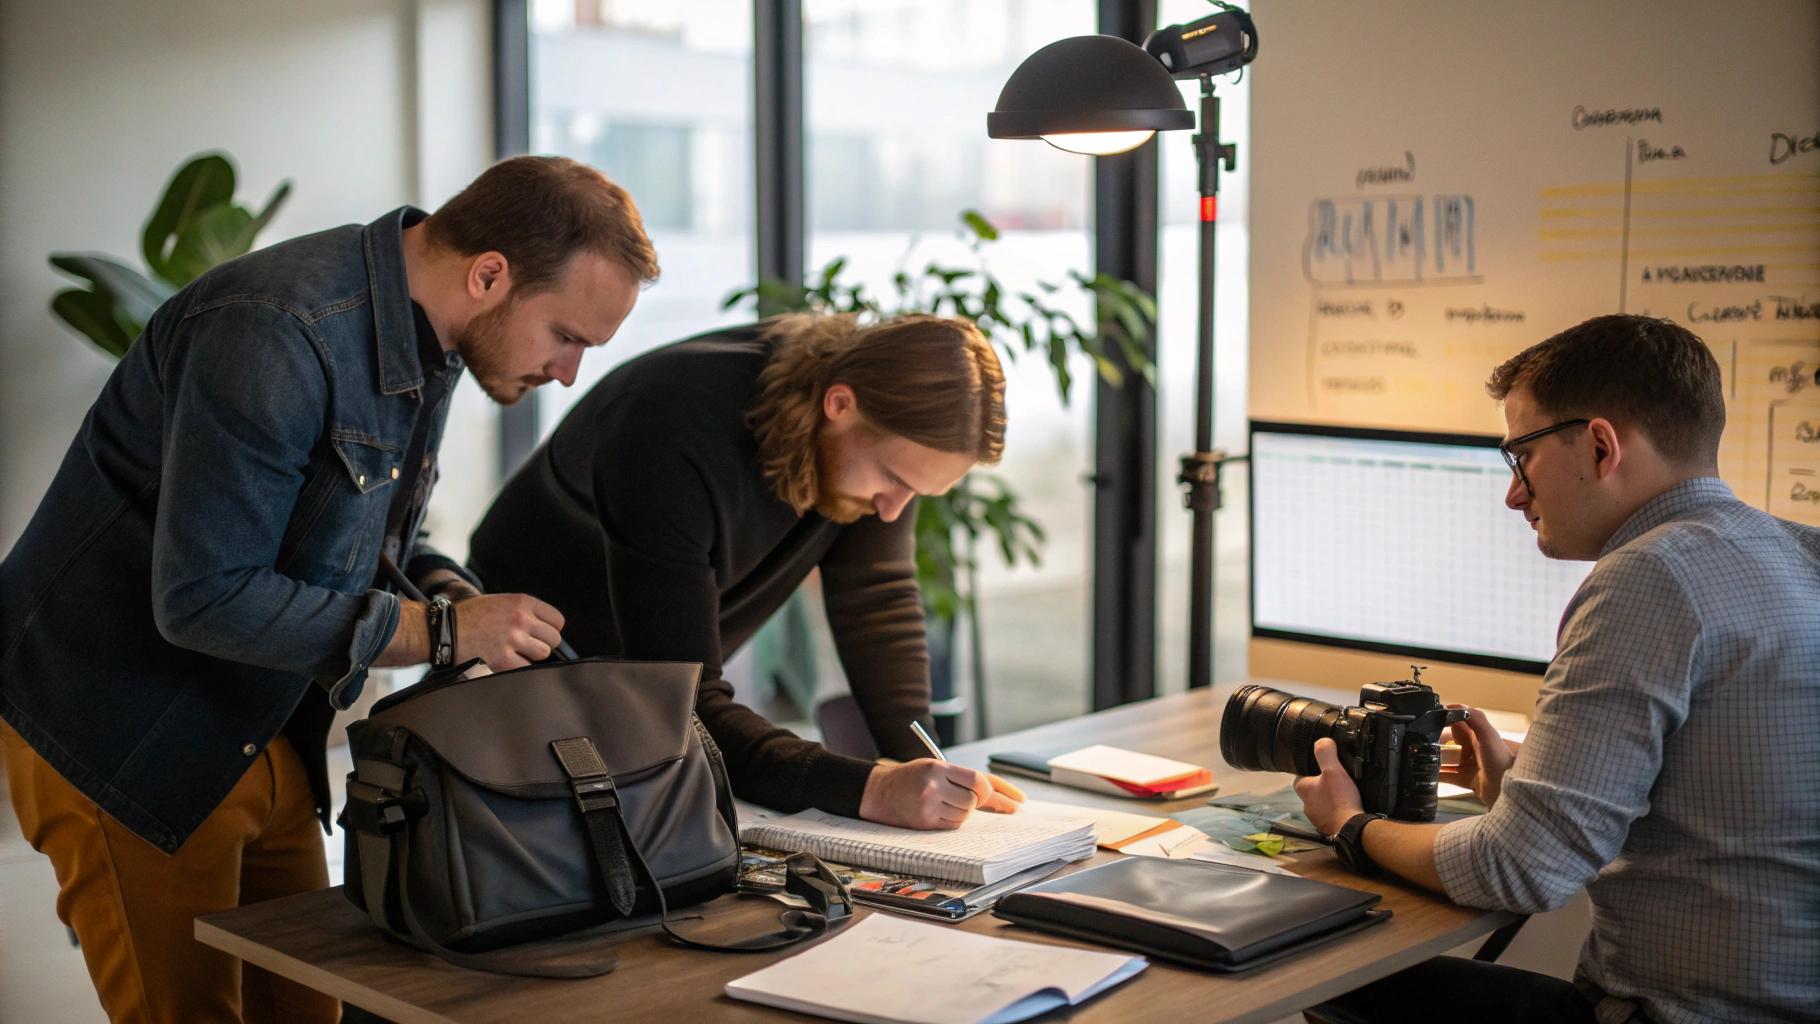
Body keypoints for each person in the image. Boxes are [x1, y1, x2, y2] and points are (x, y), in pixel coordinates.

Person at [0, 155, 658, 1023]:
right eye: (567, 336)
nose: (568, 372)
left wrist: (450, 592)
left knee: (315, 1008)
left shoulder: (437, 335)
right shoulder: (272, 330)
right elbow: (204, 596)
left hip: (261, 723)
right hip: (124, 732)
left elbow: (368, 529)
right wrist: (447, 637)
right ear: (490, 274)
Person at [1296, 314, 1820, 1023]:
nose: (1516, 494)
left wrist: (1350, 826)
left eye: (1522, 458)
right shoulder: (1802, 554)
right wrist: (1527, 789)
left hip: (1673, 1014)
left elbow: (1519, 868)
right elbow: (1729, 815)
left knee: (1337, 979)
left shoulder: (1648, 577)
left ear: (1601, 446)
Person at [466, 313, 1026, 831]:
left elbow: (875, 597)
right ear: (840, 404)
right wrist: (872, 788)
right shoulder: (672, 427)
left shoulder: (871, 447)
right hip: (516, 671)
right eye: (895, 479)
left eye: (918, 494)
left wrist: (922, 769)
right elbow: (681, 703)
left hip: (646, 690)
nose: (892, 511)